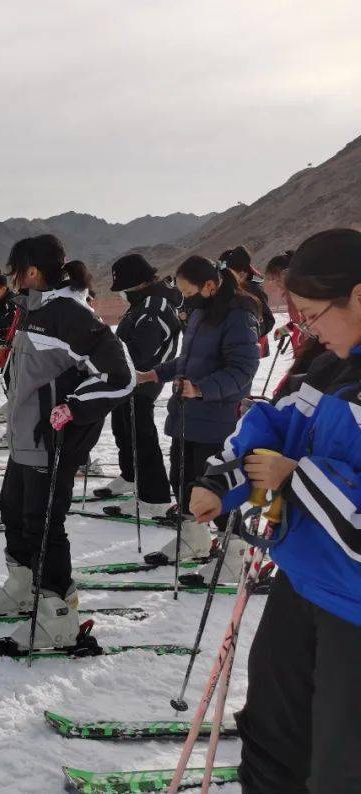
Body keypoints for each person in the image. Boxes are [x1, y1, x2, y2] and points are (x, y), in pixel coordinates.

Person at [187, 228, 361, 794]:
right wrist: (224, 479)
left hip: (353, 608)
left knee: (339, 764)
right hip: (304, 581)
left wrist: (296, 477)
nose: (305, 329)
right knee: (270, 737)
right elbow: (274, 422)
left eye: (313, 313)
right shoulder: (329, 366)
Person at [0, 235, 134, 654]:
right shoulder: (36, 309)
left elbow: (120, 374)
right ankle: (24, 588)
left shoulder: (67, 313)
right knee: (16, 517)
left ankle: (58, 616)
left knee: (43, 527)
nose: (12, 276)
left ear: (34, 271)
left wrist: (73, 407)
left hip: (50, 441)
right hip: (25, 438)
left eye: (17, 268)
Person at [135, 255, 260, 579]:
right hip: (187, 414)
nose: (184, 299)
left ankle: (234, 552)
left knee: (212, 485)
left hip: (214, 417)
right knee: (183, 478)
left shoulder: (239, 313)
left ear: (210, 284)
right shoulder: (203, 310)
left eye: (189, 293)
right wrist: (155, 374)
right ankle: (193, 538)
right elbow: (189, 360)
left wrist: (202, 389)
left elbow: (243, 370)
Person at [99, 252, 183, 517]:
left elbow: (140, 352)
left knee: (141, 436)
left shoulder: (153, 307)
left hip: (143, 380)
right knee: (122, 427)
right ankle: (131, 476)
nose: (120, 294)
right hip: (127, 379)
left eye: (122, 288)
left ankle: (154, 497)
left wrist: (108, 357)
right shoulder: (142, 302)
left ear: (137, 283)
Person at [219, 246, 276, 351]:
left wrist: (250, 331)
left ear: (242, 274)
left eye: (231, 276)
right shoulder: (226, 283)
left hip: (250, 346)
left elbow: (269, 320)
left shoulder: (255, 290)